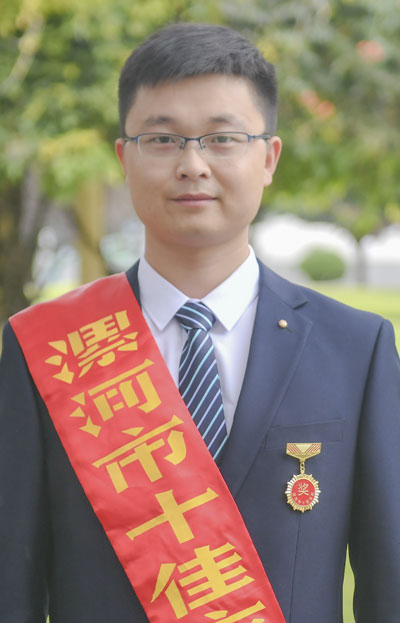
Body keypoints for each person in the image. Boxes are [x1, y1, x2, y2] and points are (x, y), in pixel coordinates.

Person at [0, 22, 399, 623]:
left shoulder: (355, 350)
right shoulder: (50, 350)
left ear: (269, 158)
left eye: (222, 139)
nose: (192, 164)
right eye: (162, 140)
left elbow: (389, 585)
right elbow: (13, 581)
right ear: (123, 158)